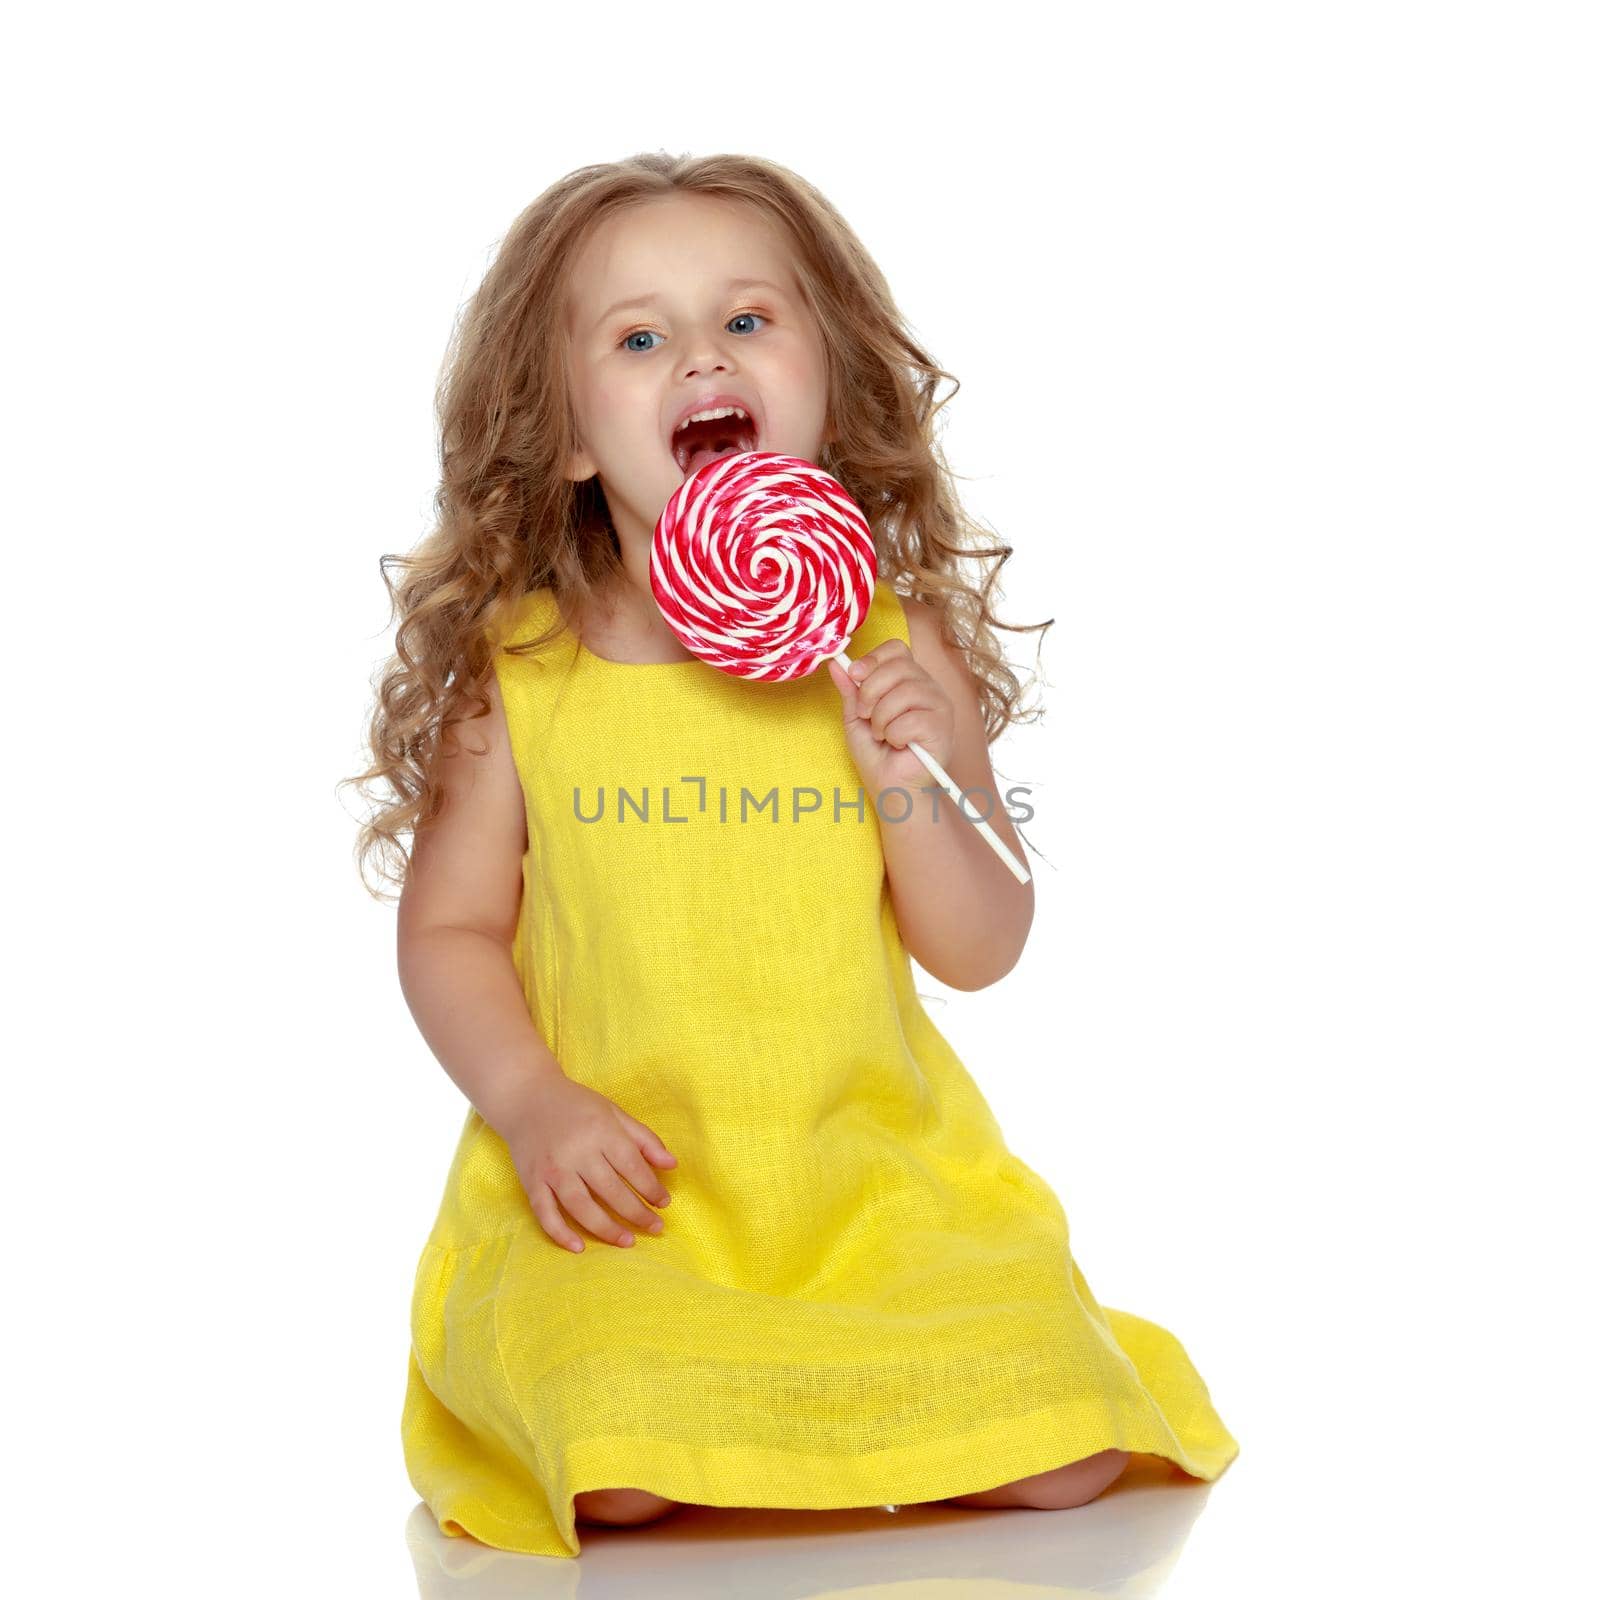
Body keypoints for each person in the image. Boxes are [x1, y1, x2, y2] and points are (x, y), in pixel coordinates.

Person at [343, 150, 1239, 1561]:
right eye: (640, 338)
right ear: (569, 433)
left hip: (880, 1190)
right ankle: (715, 1400)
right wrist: (531, 1104)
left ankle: (823, 1404)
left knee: (1064, 1445)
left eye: (750, 320)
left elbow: (982, 945)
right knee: (621, 1460)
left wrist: (909, 776)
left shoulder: (889, 642)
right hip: (624, 1207)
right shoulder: (521, 671)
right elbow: (447, 931)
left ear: (828, 382)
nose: (704, 352)